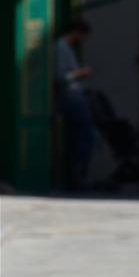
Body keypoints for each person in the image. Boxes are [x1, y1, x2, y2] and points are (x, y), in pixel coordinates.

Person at [56, 19, 95, 190]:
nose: (83, 40)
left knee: (79, 137)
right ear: (76, 32)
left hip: (74, 96)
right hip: (71, 97)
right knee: (84, 136)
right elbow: (61, 77)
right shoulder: (60, 49)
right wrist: (80, 73)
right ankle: (77, 178)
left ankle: (77, 176)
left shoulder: (66, 49)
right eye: (83, 36)